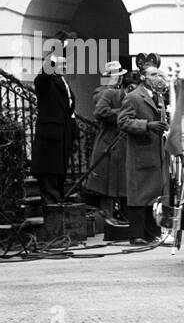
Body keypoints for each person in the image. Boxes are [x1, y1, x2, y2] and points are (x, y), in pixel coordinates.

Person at [118, 65, 169, 244]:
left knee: (153, 195)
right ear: (143, 77)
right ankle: (137, 235)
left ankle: (151, 232)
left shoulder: (158, 97)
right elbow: (123, 122)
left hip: (155, 152)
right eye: (153, 74)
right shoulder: (133, 97)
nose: (157, 77)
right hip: (141, 152)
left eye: (158, 74)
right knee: (139, 195)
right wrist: (147, 125)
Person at [30, 51, 77, 205]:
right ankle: (53, 216)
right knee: (49, 178)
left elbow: (68, 110)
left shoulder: (63, 81)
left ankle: (57, 212)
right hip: (49, 140)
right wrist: (53, 55)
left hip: (62, 138)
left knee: (58, 178)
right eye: (61, 64)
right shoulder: (45, 82)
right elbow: (43, 75)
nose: (65, 66)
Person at [84, 60, 127, 219]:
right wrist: (122, 113)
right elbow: (101, 111)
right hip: (108, 140)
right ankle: (107, 217)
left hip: (122, 141)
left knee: (122, 181)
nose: (120, 79)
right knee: (106, 181)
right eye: (118, 76)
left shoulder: (123, 91)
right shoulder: (101, 92)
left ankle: (122, 216)